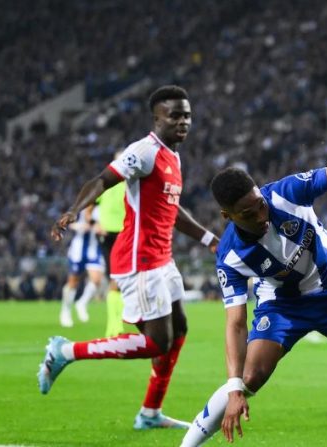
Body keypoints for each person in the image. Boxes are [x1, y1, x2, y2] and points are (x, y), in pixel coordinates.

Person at [180, 163, 327, 447]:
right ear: (226, 216)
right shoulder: (230, 257)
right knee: (249, 378)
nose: (260, 216)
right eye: (248, 214)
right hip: (283, 305)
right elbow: (236, 323)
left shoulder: (286, 193)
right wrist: (233, 390)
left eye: (259, 204)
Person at [38, 85, 219, 430]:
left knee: (179, 330)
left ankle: (150, 412)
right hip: (139, 261)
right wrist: (75, 210)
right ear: (157, 118)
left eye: (187, 115)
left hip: (162, 259)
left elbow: (172, 209)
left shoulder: (173, 155)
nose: (183, 121)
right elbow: (103, 180)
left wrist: (209, 238)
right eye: (175, 115)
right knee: (156, 342)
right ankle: (65, 352)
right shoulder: (145, 151)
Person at [95, 151, 127, 337]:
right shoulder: (106, 183)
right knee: (116, 279)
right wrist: (95, 222)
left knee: (120, 280)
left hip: (125, 234)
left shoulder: (131, 184)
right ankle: (113, 326)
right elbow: (91, 203)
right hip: (108, 235)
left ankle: (115, 325)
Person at [59, 205, 105, 327]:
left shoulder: (101, 209)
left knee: (96, 279)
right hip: (78, 250)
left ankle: (82, 303)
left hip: (94, 248)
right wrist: (80, 226)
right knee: (73, 282)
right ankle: (66, 312)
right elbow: (67, 223)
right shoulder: (79, 208)